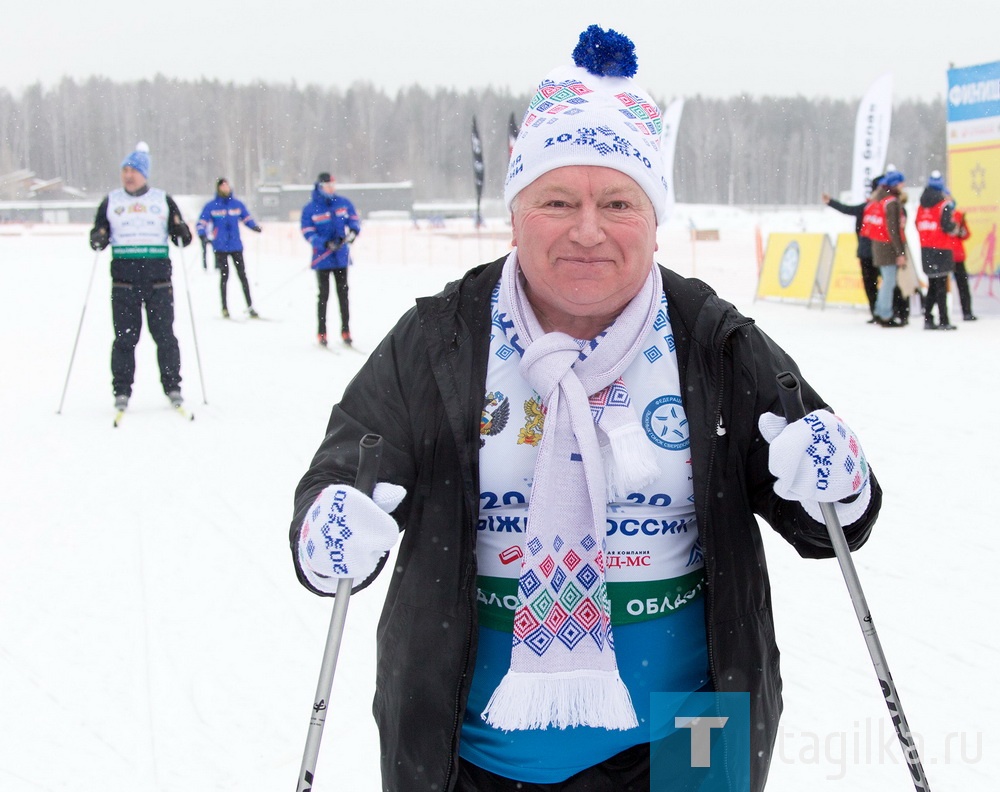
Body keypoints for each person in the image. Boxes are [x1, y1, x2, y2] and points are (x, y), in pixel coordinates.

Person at [288, 26, 881, 792]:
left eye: (618, 202)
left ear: (654, 218)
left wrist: (841, 480)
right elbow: (346, 471)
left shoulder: (709, 337)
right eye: (557, 200)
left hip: (693, 734)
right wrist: (329, 523)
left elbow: (827, 520)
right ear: (514, 212)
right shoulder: (443, 338)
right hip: (470, 753)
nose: (588, 229)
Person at [89, 142, 192, 411]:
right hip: (124, 283)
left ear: (144, 174)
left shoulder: (162, 199)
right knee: (124, 339)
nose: (128, 175)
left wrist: (182, 233)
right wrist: (98, 237)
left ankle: (172, 387)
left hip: (158, 283)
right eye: (124, 170)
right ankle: (122, 390)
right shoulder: (112, 201)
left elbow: (183, 234)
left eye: (133, 170)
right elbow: (97, 233)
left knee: (165, 337)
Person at [300, 173, 361, 346]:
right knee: (323, 295)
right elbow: (307, 231)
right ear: (320, 187)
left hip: (341, 257)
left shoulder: (343, 203)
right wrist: (324, 243)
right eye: (328, 186)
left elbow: (354, 220)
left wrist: (353, 232)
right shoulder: (311, 208)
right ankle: (322, 332)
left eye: (333, 185)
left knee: (343, 294)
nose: (331, 189)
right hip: (323, 259)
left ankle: (346, 330)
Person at [196, 178, 262, 319]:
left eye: (227, 185)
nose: (225, 188)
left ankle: (250, 306)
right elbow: (201, 222)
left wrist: (255, 227)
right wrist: (202, 235)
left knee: (242, 276)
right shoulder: (212, 206)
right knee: (224, 277)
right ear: (218, 188)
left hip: (235, 246)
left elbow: (247, 218)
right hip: (220, 247)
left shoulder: (236, 204)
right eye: (222, 186)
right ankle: (225, 308)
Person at [822, 176, 882, 321]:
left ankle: (882, 312)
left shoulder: (876, 207)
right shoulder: (867, 207)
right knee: (872, 283)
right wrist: (831, 202)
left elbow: (848, 210)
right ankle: (878, 312)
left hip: (875, 251)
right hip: (871, 251)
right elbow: (848, 209)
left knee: (875, 284)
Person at [861, 170, 908, 327]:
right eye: (901, 183)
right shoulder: (891, 202)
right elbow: (893, 229)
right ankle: (885, 314)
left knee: (886, 282)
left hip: (877, 244)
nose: (903, 186)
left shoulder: (879, 199)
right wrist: (900, 252)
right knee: (889, 282)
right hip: (887, 247)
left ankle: (880, 311)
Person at [915, 171, 957, 330]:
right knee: (941, 285)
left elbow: (917, 224)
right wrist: (955, 228)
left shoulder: (921, 206)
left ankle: (928, 318)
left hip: (926, 248)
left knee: (933, 284)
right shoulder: (943, 205)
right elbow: (948, 226)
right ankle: (944, 320)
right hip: (941, 248)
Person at [949, 199, 976, 320]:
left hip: (954, 254)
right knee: (960, 285)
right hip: (950, 254)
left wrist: (961, 225)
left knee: (961, 285)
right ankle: (966, 312)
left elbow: (966, 234)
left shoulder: (957, 215)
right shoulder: (946, 214)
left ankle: (967, 312)